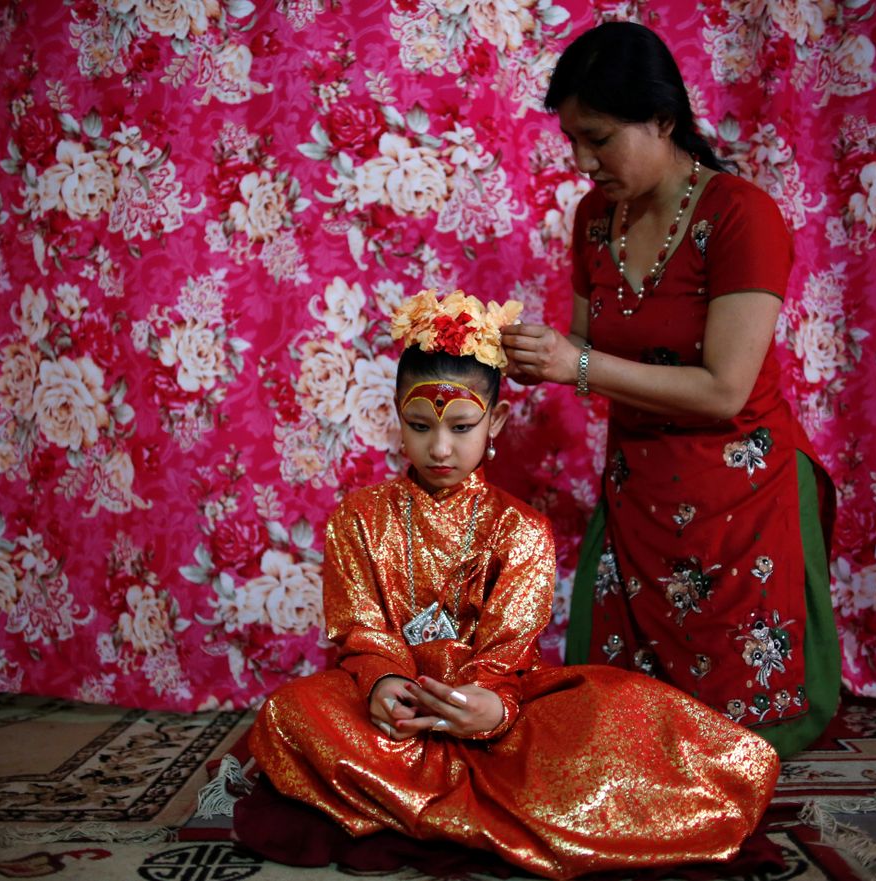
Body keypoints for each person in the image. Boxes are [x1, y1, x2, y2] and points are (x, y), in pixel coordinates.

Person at [238, 289, 780, 880]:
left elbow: (508, 649)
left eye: (462, 426)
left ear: (494, 420)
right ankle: (485, 805)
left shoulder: (521, 529)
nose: (440, 447)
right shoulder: (359, 518)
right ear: (397, 417)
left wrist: (489, 708)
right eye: (420, 426)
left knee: (621, 712)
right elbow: (362, 631)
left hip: (503, 718)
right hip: (394, 716)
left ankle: (421, 799)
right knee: (288, 713)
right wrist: (383, 682)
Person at [501, 21, 840, 758]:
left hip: (741, 498)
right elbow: (587, 350)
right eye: (573, 141)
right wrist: (529, 356)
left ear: (662, 119)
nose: (582, 161)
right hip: (638, 495)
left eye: (598, 137)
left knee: (732, 741)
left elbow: (724, 390)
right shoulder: (596, 219)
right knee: (618, 731)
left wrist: (574, 366)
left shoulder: (741, 216)